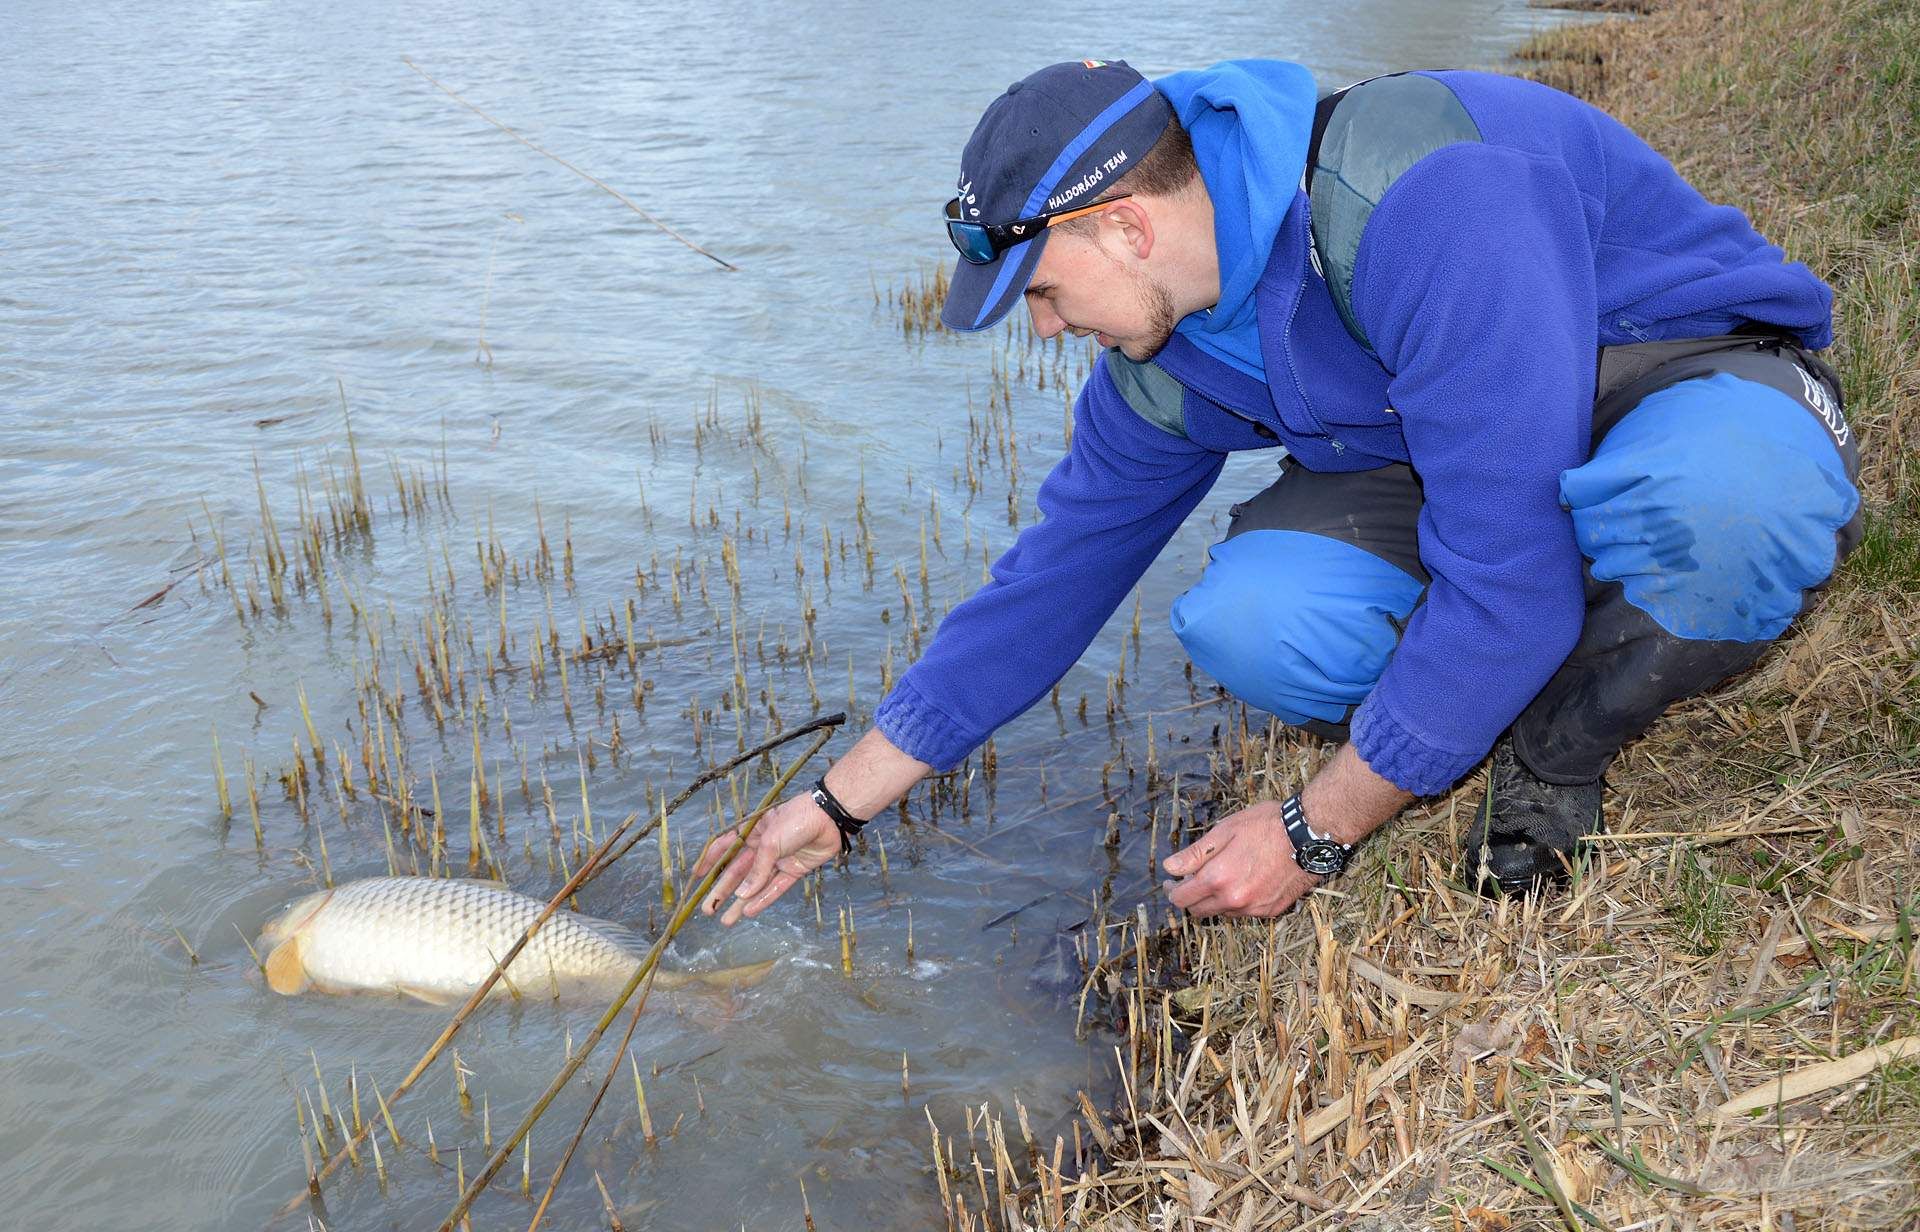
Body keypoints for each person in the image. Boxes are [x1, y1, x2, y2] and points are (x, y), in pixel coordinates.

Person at [696, 57, 1859, 924]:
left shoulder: (1426, 197)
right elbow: (1046, 586)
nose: (1046, 331)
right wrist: (837, 807)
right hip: (1444, 435)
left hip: (1664, 363)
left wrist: (1315, 829)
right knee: (1252, 619)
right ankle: (1481, 685)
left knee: (1732, 511)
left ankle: (1552, 751)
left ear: (1126, 226)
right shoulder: (1159, 359)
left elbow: (1506, 585)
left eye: (1043, 295)